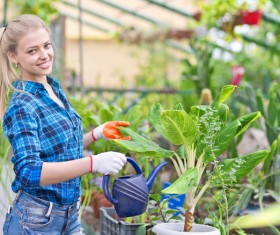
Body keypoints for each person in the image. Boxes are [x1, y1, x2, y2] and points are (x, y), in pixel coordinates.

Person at [0, 14, 131, 235]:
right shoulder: (23, 105)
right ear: (14, 56)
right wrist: (93, 163)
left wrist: (96, 134)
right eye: (32, 51)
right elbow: (30, 171)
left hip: (69, 215)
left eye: (46, 46)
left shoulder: (53, 88)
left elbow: (57, 152)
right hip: (36, 221)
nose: (44, 55)